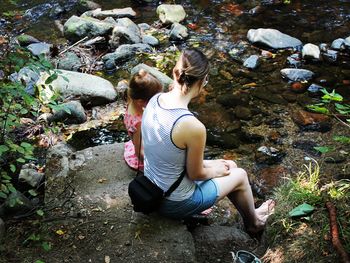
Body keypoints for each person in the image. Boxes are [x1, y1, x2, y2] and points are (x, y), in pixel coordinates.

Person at [141, 48, 275, 235]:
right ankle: (254, 224)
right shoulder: (191, 126)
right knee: (241, 174)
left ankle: (251, 211)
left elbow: (173, 156)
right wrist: (214, 170)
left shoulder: (155, 100)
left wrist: (219, 168)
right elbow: (195, 173)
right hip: (173, 203)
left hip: (151, 189)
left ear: (175, 72)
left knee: (231, 164)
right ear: (203, 82)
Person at [123, 69, 163, 171]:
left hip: (138, 142)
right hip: (141, 159)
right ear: (141, 101)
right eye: (154, 99)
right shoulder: (139, 123)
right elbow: (139, 152)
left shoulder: (131, 101)